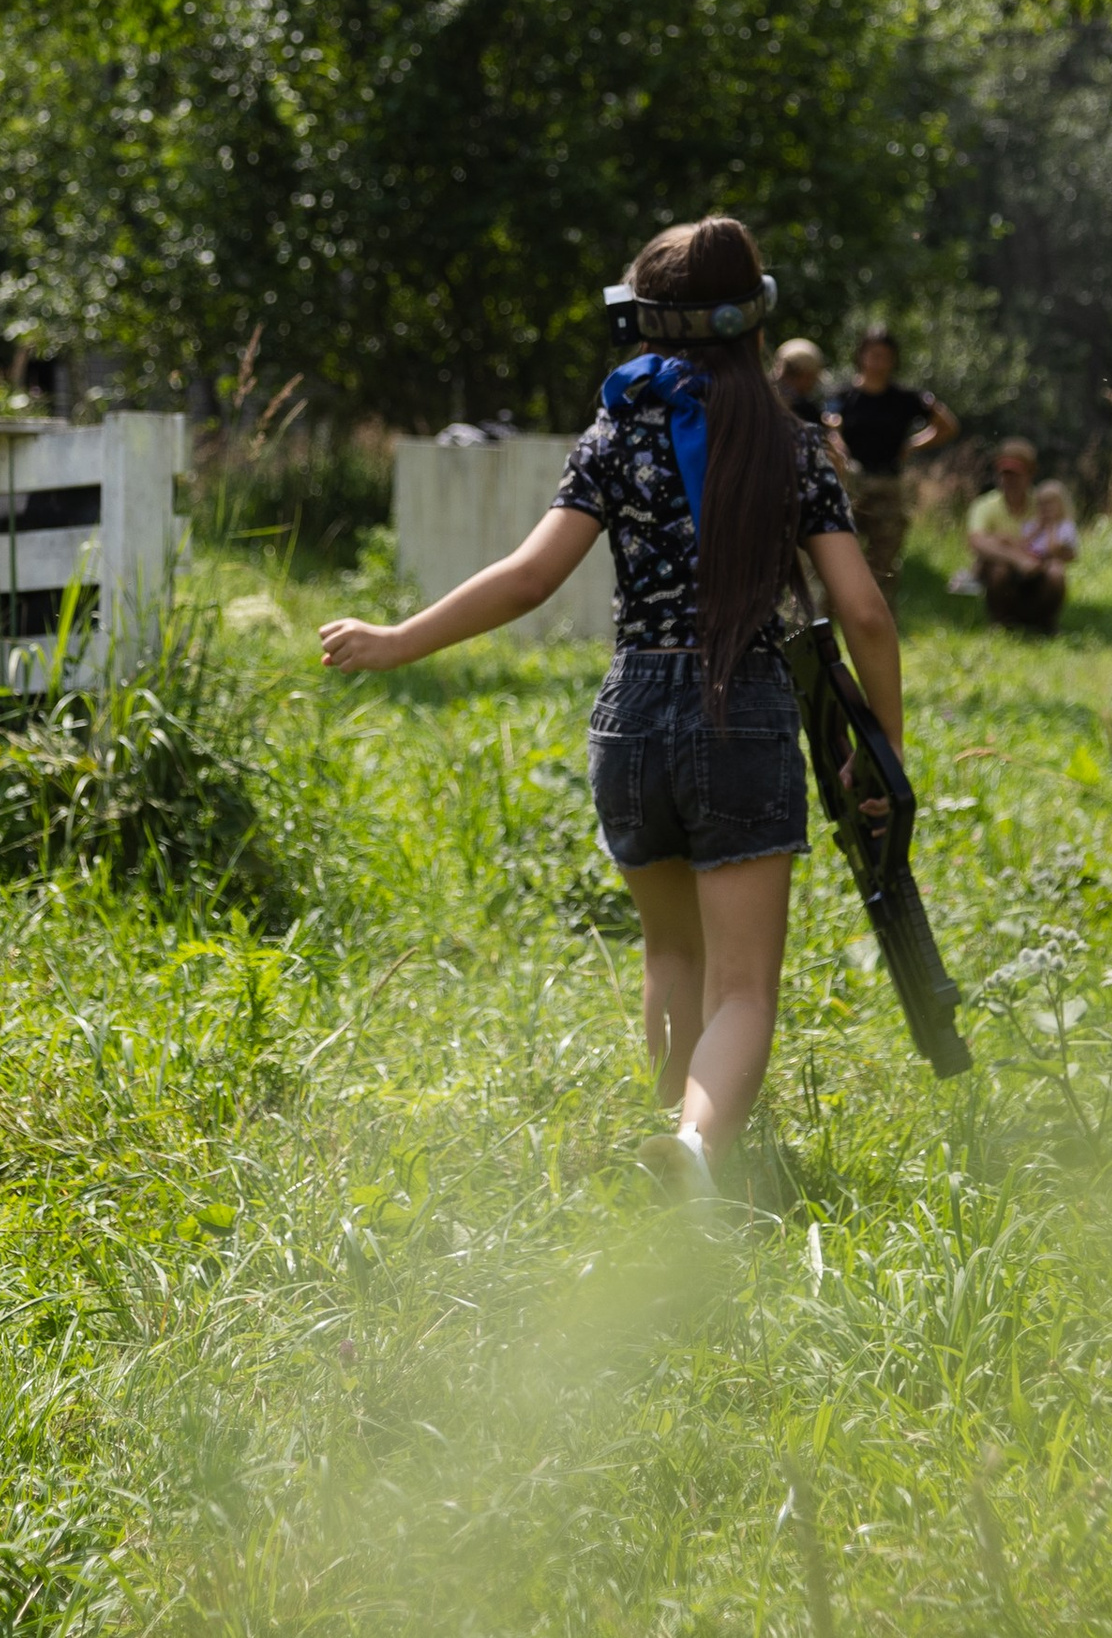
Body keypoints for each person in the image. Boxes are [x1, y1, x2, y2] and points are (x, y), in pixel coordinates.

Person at [318, 216, 902, 1201]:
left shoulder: (615, 433)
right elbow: (865, 613)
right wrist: (878, 745)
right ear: (753, 320)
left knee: (670, 953)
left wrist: (392, 639)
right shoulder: (794, 446)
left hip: (632, 717)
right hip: (742, 713)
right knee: (743, 985)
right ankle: (697, 1153)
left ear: (644, 324)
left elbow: (527, 579)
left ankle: (674, 1146)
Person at [824, 327, 958, 607]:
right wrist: (839, 449)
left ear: (894, 359)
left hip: (888, 486)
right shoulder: (844, 396)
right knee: (839, 555)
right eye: (872, 354)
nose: (877, 361)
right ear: (860, 356)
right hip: (850, 486)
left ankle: (879, 617)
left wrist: (913, 445)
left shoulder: (906, 398)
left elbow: (947, 425)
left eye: (884, 356)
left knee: (884, 561)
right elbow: (830, 428)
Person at [966, 438, 1073, 634]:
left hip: (1039, 566)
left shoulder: (1044, 503)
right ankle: (1000, 622)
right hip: (1001, 572)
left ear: (1031, 473)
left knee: (1056, 572)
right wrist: (1018, 558)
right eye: (1004, 474)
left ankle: (1045, 623)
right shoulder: (985, 505)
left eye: (1015, 474)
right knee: (1000, 569)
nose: (1009, 480)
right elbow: (976, 541)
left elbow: (1065, 542)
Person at [774, 337, 827, 427]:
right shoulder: (807, 410)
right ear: (804, 375)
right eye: (813, 376)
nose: (814, 382)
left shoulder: (766, 400)